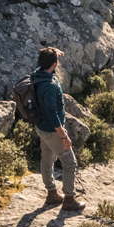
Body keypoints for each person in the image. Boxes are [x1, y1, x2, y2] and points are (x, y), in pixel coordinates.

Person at [31, 46, 83, 212]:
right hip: (53, 131)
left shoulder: (37, 75)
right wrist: (64, 136)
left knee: (47, 160)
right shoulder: (49, 87)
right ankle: (69, 199)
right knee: (69, 163)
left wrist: (52, 52)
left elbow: (43, 58)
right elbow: (53, 114)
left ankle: (52, 194)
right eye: (56, 61)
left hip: (41, 128)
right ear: (54, 64)